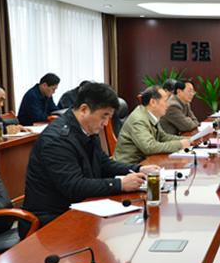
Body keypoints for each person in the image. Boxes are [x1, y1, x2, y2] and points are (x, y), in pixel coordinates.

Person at [21, 82, 159, 234]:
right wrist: (120, 184)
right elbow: (74, 186)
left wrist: (138, 169)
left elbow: (103, 163)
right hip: (50, 220)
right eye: (104, 116)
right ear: (84, 109)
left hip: (79, 208)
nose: (106, 123)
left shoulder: (87, 130)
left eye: (109, 117)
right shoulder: (56, 140)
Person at [113, 85, 191, 164]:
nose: (168, 105)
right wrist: (179, 144)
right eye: (165, 101)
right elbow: (149, 147)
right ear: (153, 102)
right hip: (130, 166)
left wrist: (189, 139)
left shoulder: (150, 115)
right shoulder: (139, 120)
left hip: (145, 162)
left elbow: (163, 137)